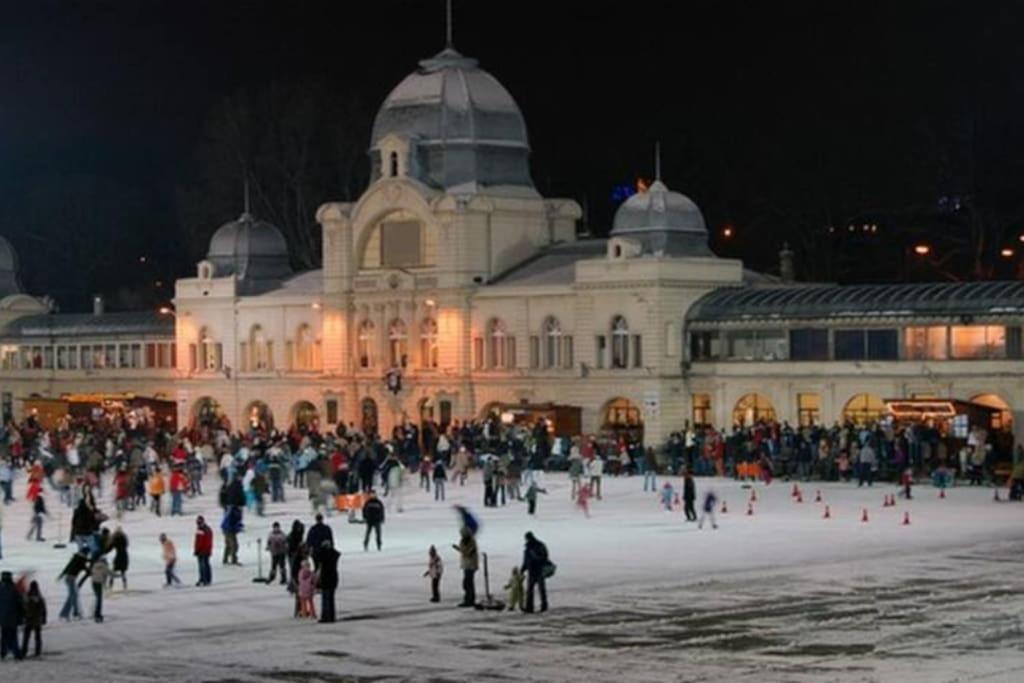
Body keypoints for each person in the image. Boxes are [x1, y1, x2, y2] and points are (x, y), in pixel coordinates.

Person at [521, 532, 550, 613]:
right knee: (538, 590)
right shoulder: (535, 546)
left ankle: (531, 607)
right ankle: (541, 606)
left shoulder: (532, 547)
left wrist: (523, 569)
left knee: (533, 590)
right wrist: (523, 569)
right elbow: (526, 560)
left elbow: (527, 561)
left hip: (537, 570)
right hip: (536, 570)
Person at [0, 570, 24, 660]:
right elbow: (20, 603)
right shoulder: (14, 588)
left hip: (2, 617)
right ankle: (16, 653)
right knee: (13, 635)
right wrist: (22, 615)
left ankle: (3, 652)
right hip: (13, 616)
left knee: (4, 635)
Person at [57, 549, 87, 620]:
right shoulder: (81, 560)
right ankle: (75, 613)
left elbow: (68, 567)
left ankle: (65, 613)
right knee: (73, 596)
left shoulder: (76, 558)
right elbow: (85, 568)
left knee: (72, 596)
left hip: (69, 578)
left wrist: (61, 575)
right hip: (70, 579)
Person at [453, 528, 478, 607]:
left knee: (468, 583)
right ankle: (469, 599)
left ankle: (469, 600)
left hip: (471, 565)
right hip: (466, 565)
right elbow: (464, 551)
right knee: (467, 583)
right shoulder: (463, 541)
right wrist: (458, 548)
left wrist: (458, 549)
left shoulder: (472, 542)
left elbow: (468, 553)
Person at [317, 541, 340, 623]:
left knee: (325, 599)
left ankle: (326, 617)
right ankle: (331, 616)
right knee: (331, 599)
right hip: (333, 577)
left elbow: (319, 559)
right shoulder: (334, 555)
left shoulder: (323, 556)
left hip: (326, 578)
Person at [20, 581, 45, 658]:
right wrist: (44, 618)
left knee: (26, 637)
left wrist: (23, 617)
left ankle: (24, 651)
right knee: (37, 637)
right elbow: (43, 609)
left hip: (29, 620)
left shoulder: (27, 597)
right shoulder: (39, 597)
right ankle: (38, 651)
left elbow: (23, 609)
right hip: (37, 620)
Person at [194, 515, 214, 586]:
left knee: (203, 566)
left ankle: (205, 579)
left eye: (199, 522)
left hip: (204, 551)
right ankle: (203, 579)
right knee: (204, 565)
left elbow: (201, 541)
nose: (198, 523)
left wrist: (198, 549)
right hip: (203, 550)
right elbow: (197, 541)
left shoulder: (204, 530)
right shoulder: (201, 529)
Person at [90, 555, 109, 622]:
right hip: (98, 583)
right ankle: (97, 615)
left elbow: (92, 573)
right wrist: (118, 575)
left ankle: (95, 613)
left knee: (97, 598)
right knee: (99, 600)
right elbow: (109, 573)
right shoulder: (104, 566)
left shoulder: (95, 565)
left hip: (93, 583)